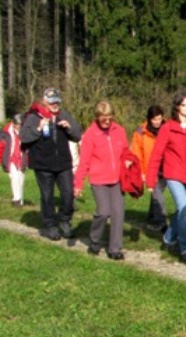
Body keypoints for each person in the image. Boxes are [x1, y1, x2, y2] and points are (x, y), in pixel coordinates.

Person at [146, 93, 186, 262]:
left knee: (182, 210)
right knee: (184, 208)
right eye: (185, 105)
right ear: (177, 107)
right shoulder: (168, 128)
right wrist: (151, 179)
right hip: (173, 175)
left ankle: (168, 237)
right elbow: (157, 155)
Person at [19, 87, 83, 240]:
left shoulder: (64, 115)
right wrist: (38, 128)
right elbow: (24, 136)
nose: (55, 105)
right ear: (44, 101)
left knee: (68, 194)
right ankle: (50, 225)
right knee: (47, 196)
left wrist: (70, 128)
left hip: (63, 163)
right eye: (52, 102)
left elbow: (78, 134)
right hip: (43, 165)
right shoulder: (34, 117)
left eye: (57, 102)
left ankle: (64, 221)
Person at [73, 101, 130, 259]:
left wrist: (129, 161)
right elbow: (84, 161)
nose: (106, 120)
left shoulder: (120, 131)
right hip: (99, 180)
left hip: (117, 179)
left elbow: (125, 151)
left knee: (118, 213)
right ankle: (95, 240)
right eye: (102, 117)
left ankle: (115, 249)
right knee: (104, 212)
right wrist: (78, 184)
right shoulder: (90, 134)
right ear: (97, 117)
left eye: (109, 117)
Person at [130, 105, 168, 231]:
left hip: (167, 167)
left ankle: (152, 216)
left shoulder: (168, 128)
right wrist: (141, 171)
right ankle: (161, 222)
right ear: (149, 119)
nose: (157, 122)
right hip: (151, 169)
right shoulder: (141, 131)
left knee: (157, 194)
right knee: (158, 195)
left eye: (159, 119)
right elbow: (136, 153)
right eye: (154, 119)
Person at [1, 114, 27, 206]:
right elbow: (1, 146)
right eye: (17, 125)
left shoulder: (25, 132)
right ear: (13, 123)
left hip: (22, 158)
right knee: (14, 177)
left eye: (20, 125)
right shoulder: (6, 132)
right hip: (10, 158)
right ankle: (17, 199)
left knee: (21, 179)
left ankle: (20, 200)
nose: (19, 127)